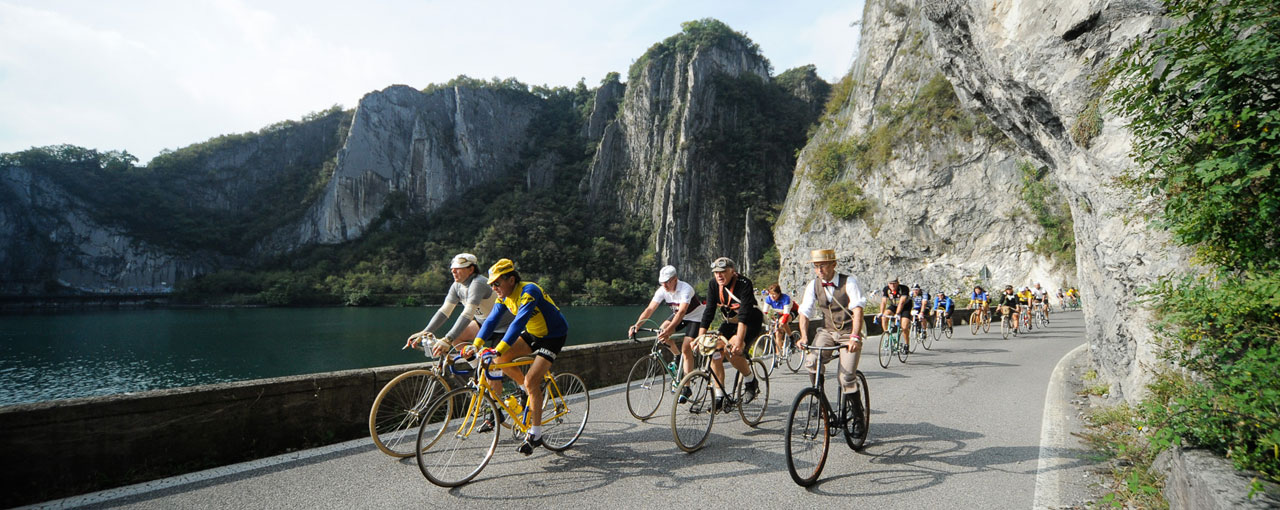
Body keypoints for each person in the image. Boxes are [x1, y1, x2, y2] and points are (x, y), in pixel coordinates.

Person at [474, 258, 569, 455]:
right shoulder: (504, 298)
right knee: (500, 361)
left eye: (497, 283)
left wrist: (497, 348)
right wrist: (475, 345)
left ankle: (536, 434)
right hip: (533, 334)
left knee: (532, 379)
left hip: (553, 336)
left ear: (511, 279)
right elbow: (491, 321)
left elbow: (517, 324)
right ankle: (525, 390)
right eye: (491, 285)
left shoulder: (529, 291)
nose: (494, 288)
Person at [796, 249, 867, 434]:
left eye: (823, 265)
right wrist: (803, 336)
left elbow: (858, 310)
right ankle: (819, 399)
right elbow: (804, 312)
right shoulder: (813, 285)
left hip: (849, 332)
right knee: (811, 362)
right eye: (816, 266)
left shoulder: (849, 281)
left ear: (833, 265)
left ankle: (859, 417)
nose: (819, 270)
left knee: (846, 377)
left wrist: (855, 336)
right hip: (828, 331)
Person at [404, 253, 511, 356]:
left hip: (504, 327)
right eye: (452, 268)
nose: (453, 271)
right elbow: (445, 311)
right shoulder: (457, 286)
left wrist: (447, 339)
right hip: (484, 324)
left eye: (458, 268)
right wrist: (425, 332)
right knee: (457, 338)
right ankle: (477, 366)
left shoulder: (477, 283)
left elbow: (468, 313)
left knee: (498, 361)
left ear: (471, 269)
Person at [689, 257, 761, 410]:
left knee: (733, 352)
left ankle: (750, 380)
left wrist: (739, 342)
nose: (719, 275)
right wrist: (699, 338)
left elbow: (744, 317)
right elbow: (708, 313)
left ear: (732, 271)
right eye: (716, 272)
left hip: (749, 322)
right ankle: (720, 394)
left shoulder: (744, 284)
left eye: (723, 272)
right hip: (729, 322)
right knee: (714, 350)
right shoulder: (713, 285)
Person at [629, 265, 706, 362]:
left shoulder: (686, 289)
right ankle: (677, 356)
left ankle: (687, 377)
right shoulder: (662, 290)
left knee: (686, 349)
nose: (664, 285)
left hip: (695, 317)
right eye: (662, 283)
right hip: (679, 315)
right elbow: (650, 309)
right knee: (661, 333)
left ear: (675, 279)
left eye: (667, 282)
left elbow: (682, 312)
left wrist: (669, 329)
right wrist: (637, 325)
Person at [763, 283, 799, 363]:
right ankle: (778, 355)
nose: (772, 297)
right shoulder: (768, 299)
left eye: (774, 295)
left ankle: (791, 338)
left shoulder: (785, 298)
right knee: (778, 334)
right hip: (780, 313)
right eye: (770, 294)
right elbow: (764, 313)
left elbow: (786, 315)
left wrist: (781, 323)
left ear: (779, 294)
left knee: (782, 323)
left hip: (792, 311)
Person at [880, 278, 910, 349]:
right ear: (888, 284)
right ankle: (888, 336)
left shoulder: (904, 288)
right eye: (890, 283)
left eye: (894, 283)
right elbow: (884, 302)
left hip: (905, 307)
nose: (892, 285)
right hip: (894, 305)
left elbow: (902, 302)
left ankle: (906, 344)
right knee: (884, 316)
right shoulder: (886, 289)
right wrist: (881, 312)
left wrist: (897, 313)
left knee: (904, 327)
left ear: (898, 283)